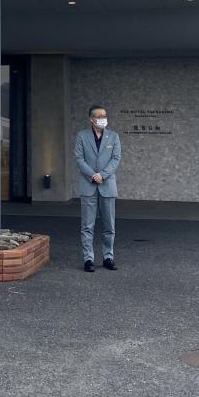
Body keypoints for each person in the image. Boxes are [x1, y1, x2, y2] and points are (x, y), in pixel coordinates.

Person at [75, 104, 121, 273]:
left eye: (105, 116)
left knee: (109, 226)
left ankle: (108, 257)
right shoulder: (82, 136)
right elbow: (79, 159)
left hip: (107, 186)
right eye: (99, 116)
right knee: (87, 226)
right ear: (91, 119)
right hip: (88, 186)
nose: (103, 119)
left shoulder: (113, 136)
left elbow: (116, 159)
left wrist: (102, 175)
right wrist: (92, 175)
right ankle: (88, 259)